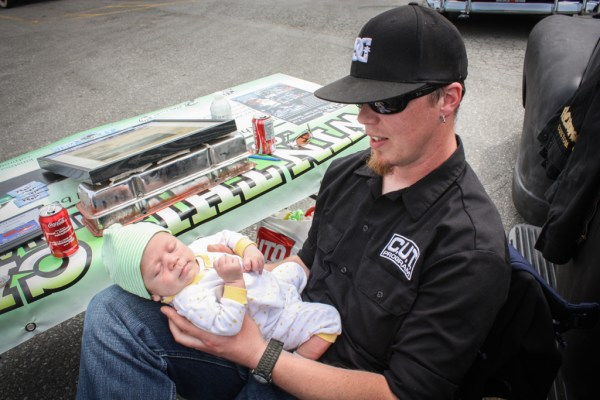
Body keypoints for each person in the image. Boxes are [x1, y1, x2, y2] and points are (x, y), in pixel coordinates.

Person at [77, 4, 511, 399]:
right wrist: (235, 277)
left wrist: (256, 354)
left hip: (332, 380)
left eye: (385, 101)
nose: (363, 117)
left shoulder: (468, 246)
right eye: (362, 99)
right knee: (113, 311)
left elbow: (402, 394)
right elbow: (307, 262)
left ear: (447, 99)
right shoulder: (348, 173)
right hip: (274, 326)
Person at [101, 222, 341, 361]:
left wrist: (248, 250)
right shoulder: (189, 299)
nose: (172, 261)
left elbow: (226, 235)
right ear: (155, 295)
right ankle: (295, 361)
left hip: (272, 285)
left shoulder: (196, 249)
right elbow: (227, 324)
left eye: (171, 247)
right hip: (273, 321)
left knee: (295, 269)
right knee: (330, 321)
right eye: (158, 269)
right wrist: (234, 281)